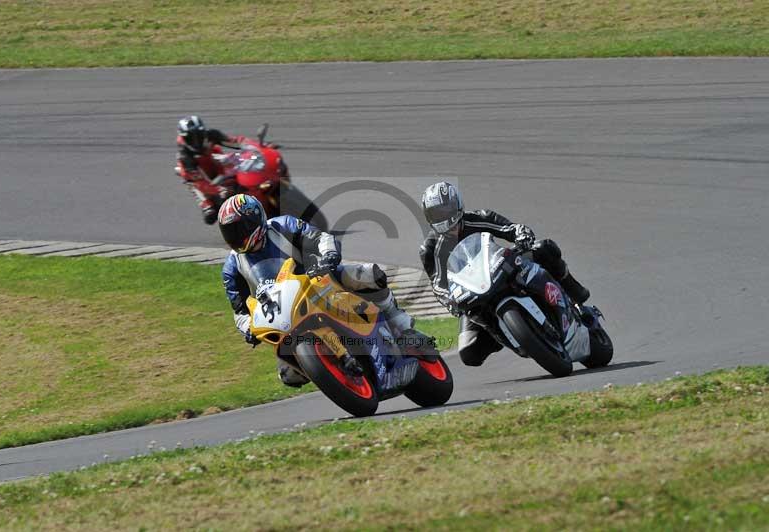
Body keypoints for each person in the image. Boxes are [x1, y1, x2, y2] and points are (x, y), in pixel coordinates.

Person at [219, 194, 416, 387]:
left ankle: (399, 323)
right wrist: (248, 329)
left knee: (368, 275)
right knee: (288, 375)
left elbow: (320, 238)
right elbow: (240, 312)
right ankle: (338, 378)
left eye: (239, 228)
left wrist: (328, 256)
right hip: (282, 313)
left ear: (255, 219)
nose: (236, 236)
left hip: (318, 281)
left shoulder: (282, 226)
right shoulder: (231, 266)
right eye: (230, 232)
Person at [419, 181, 591, 367]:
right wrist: (450, 301)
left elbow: (511, 229)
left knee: (544, 248)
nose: (443, 218)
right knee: (469, 353)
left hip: (501, 268)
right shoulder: (429, 250)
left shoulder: (478, 218)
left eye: (446, 210)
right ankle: (505, 333)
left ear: (458, 206)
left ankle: (575, 296)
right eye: (436, 214)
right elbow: (438, 285)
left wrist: (521, 234)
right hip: (472, 293)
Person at [176, 115, 246, 225]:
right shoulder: (185, 157)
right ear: (185, 138)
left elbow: (235, 142)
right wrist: (219, 190)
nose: (196, 141)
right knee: (210, 215)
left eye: (198, 135)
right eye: (191, 138)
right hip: (200, 179)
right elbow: (201, 183)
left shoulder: (211, 135)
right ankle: (208, 206)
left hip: (216, 161)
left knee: (245, 164)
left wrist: (257, 146)